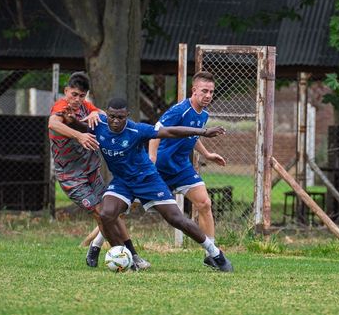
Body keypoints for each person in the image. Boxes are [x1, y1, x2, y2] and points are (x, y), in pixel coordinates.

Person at [77, 97, 233, 271]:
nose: (115, 121)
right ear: (107, 114)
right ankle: (126, 260)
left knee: (176, 219)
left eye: (120, 117)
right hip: (122, 182)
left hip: (147, 179)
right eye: (111, 116)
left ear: (127, 116)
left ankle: (215, 253)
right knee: (106, 214)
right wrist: (84, 116)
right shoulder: (98, 125)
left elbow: (170, 132)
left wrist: (203, 132)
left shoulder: (137, 130)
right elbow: (67, 121)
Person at [47, 71, 150, 270]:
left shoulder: (87, 107)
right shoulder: (61, 107)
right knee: (101, 213)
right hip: (72, 177)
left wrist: (96, 112)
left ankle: (128, 255)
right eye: (73, 94)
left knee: (112, 214)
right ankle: (123, 257)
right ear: (66, 91)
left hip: (92, 171)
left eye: (81, 96)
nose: (77, 100)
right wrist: (79, 135)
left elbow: (103, 114)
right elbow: (52, 123)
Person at [148, 71, 226, 244]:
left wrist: (207, 154)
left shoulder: (204, 115)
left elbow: (192, 136)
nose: (208, 95)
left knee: (205, 204)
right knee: (127, 204)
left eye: (211, 92)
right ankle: (96, 244)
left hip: (182, 168)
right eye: (204, 91)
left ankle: (212, 253)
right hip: (161, 166)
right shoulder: (180, 110)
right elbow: (156, 130)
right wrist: (152, 158)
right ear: (194, 90)